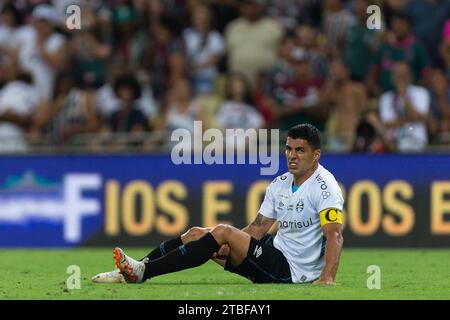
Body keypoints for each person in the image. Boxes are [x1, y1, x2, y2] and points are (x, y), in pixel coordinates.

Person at [93, 123, 344, 285]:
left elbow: (334, 235)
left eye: (300, 150)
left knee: (222, 231)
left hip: (292, 271)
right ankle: (134, 270)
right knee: (197, 234)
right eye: (289, 149)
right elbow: (256, 230)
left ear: (316, 155)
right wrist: (229, 243)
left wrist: (327, 278)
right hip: (274, 251)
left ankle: (143, 273)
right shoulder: (280, 183)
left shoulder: (326, 186)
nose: (291, 155)